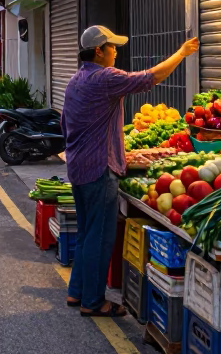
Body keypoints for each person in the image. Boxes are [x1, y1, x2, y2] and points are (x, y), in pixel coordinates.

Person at [61, 25, 200, 317]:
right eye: (112, 46)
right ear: (99, 51)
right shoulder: (105, 78)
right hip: (99, 168)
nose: (116, 51)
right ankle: (94, 301)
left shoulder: (76, 80)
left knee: (87, 233)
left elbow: (65, 124)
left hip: (78, 166)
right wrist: (182, 53)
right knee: (100, 237)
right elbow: (151, 77)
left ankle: (77, 293)